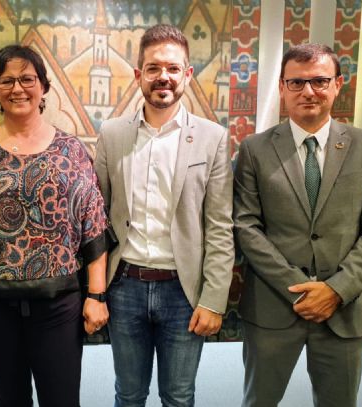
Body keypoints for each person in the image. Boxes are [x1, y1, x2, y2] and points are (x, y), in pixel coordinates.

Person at [0, 44, 111, 407]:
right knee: (10, 399)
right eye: (7, 81)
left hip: (58, 307)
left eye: (27, 79)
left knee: (62, 400)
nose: (17, 88)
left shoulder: (72, 151)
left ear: (43, 88)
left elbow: (94, 229)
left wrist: (96, 296)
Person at [234, 43, 362, 407]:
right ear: (281, 87)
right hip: (274, 307)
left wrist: (335, 289)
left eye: (320, 81)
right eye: (297, 82)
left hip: (344, 310)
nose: (308, 91)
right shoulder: (254, 149)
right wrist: (303, 288)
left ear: (338, 84)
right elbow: (246, 226)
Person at [94, 24, 234, 407]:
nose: (163, 77)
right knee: (129, 395)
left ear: (187, 74)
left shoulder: (212, 138)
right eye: (153, 68)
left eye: (173, 68)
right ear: (139, 75)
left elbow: (220, 227)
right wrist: (95, 292)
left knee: (178, 396)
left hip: (184, 293)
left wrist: (213, 300)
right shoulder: (111, 134)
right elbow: (98, 221)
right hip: (125, 288)